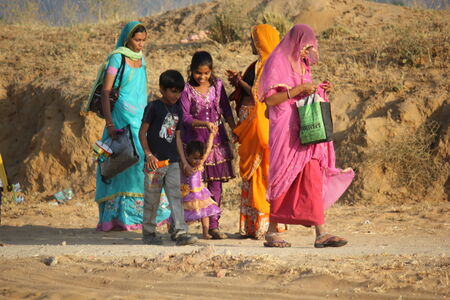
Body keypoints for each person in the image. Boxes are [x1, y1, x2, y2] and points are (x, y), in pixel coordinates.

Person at [258, 24, 355, 248]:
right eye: (305, 46)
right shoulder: (277, 62)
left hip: (306, 130)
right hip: (285, 131)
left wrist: (320, 91)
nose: (307, 51)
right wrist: (299, 90)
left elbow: (304, 92)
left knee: (312, 174)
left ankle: (320, 232)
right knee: (283, 179)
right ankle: (272, 232)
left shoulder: (303, 65)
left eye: (311, 46)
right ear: (296, 41)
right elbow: (271, 100)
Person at [89, 21, 169, 231]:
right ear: (127, 38)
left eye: (143, 40)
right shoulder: (117, 57)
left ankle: (143, 216)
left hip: (140, 119)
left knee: (141, 162)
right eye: (136, 40)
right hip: (120, 120)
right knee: (120, 163)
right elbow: (106, 92)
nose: (140, 44)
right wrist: (109, 122)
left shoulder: (141, 59)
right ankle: (118, 218)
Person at [227, 24, 281, 239]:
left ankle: (263, 225)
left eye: (253, 40)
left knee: (262, 174)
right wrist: (238, 83)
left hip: (260, 124)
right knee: (252, 177)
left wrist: (240, 82)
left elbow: (259, 94)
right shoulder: (256, 65)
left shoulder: (269, 66)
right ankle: (252, 226)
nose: (251, 44)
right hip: (250, 123)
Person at [179, 51, 236, 239]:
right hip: (194, 143)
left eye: (206, 73)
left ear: (211, 71)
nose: (202, 77)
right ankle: (183, 224)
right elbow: (185, 117)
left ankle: (213, 225)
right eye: (198, 73)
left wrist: (235, 129)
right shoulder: (186, 90)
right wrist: (204, 124)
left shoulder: (218, 85)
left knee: (216, 184)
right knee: (191, 185)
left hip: (216, 141)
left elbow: (226, 109)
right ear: (191, 71)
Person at [139, 69, 197, 246]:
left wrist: (183, 162)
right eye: (173, 91)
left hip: (172, 163)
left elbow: (178, 138)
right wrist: (148, 154)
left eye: (179, 91)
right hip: (155, 163)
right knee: (152, 199)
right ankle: (149, 233)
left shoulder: (178, 110)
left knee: (175, 196)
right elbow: (142, 133)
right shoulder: (153, 108)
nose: (176, 95)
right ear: (162, 89)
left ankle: (180, 232)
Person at [179, 128, 222, 239]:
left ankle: (205, 232)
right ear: (187, 156)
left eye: (199, 158)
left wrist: (211, 135)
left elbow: (208, 149)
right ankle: (182, 232)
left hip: (200, 194)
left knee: (205, 214)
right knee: (184, 214)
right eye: (194, 158)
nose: (197, 161)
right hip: (188, 195)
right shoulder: (185, 167)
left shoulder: (200, 164)